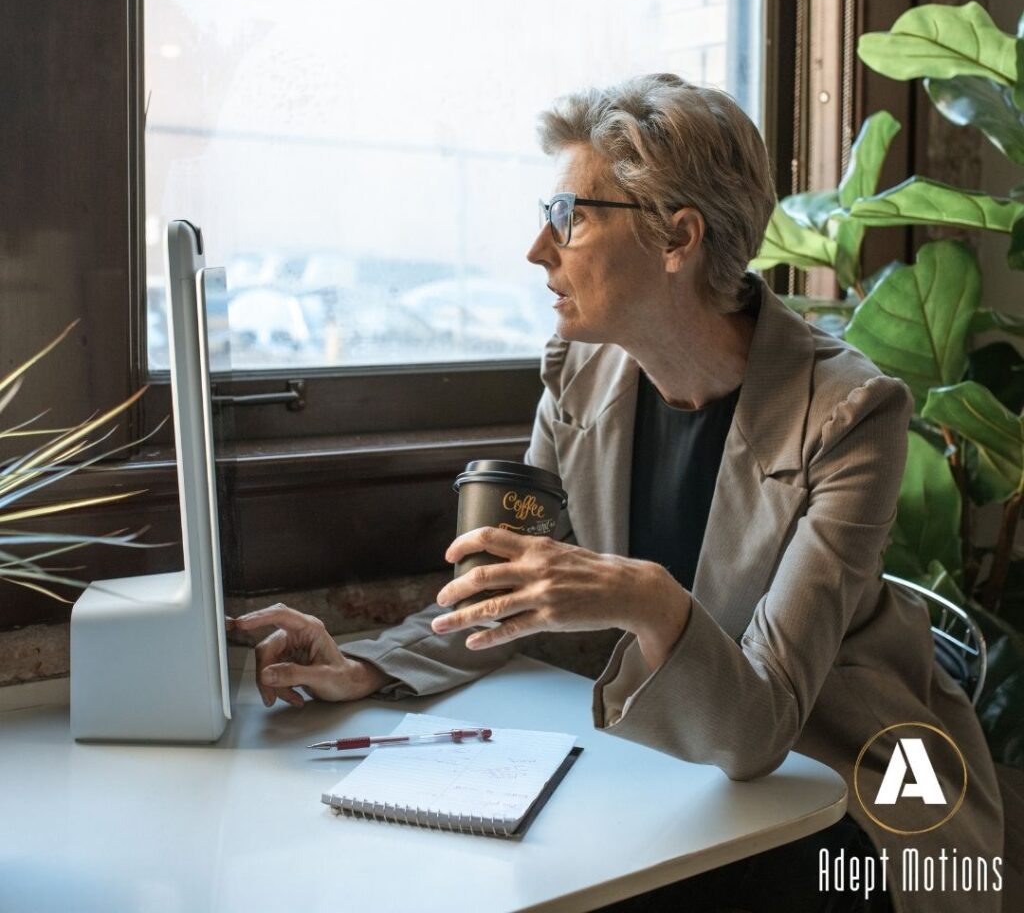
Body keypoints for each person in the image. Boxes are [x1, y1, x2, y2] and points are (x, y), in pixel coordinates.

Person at [230, 74, 1002, 913]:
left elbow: (759, 728)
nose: (538, 249)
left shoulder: (851, 413)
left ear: (678, 238)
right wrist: (364, 665)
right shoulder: (579, 375)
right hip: (678, 765)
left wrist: (641, 595)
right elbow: (504, 594)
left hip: (859, 785)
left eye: (569, 217)